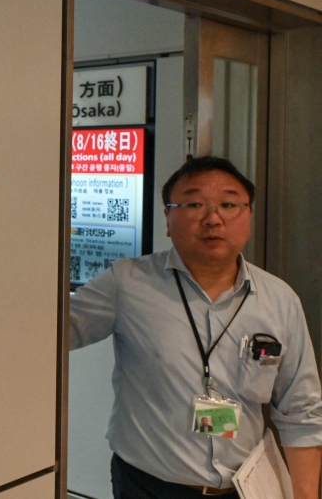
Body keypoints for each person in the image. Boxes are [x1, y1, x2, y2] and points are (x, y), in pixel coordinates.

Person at [70, 156, 322, 499]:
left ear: (248, 215)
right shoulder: (127, 283)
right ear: (168, 218)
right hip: (148, 486)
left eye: (229, 204)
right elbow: (48, 335)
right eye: (193, 204)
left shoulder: (279, 300)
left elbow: (302, 414)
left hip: (244, 488)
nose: (213, 218)